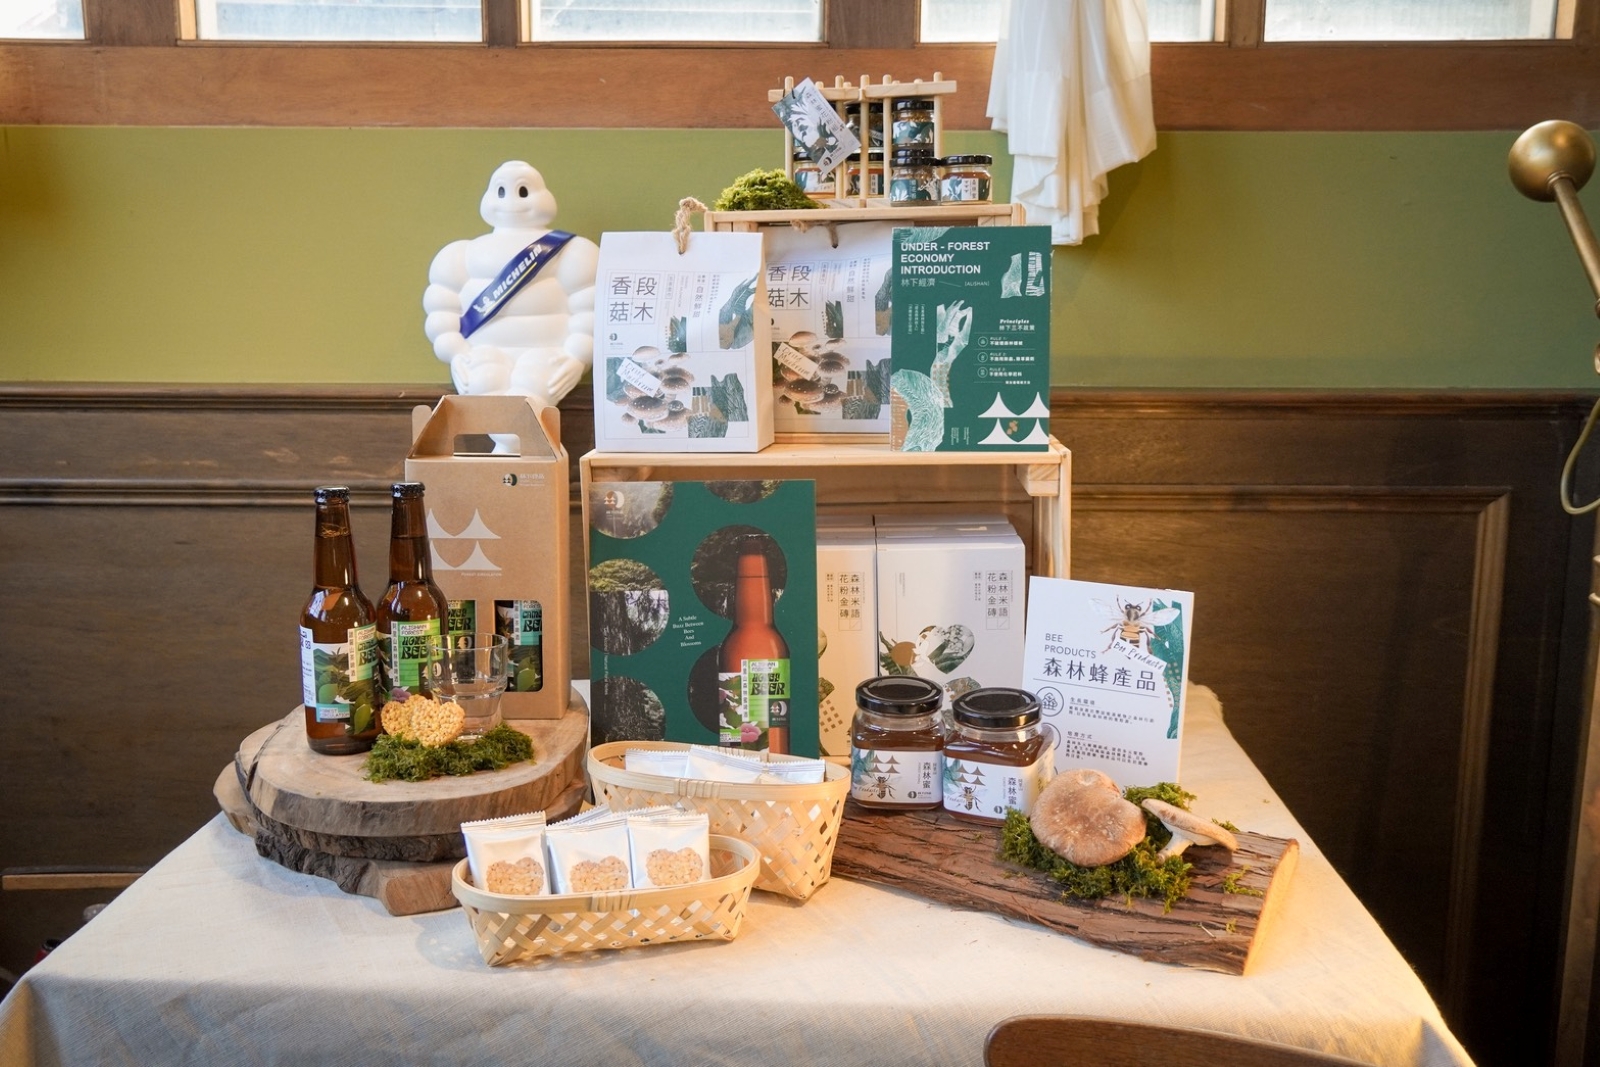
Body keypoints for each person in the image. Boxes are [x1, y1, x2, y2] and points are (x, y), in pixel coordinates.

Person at [423, 161, 600, 407]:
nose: (511, 200)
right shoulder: (458, 255)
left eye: (523, 190)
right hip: (482, 356)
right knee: (484, 385)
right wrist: (456, 354)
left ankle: (516, 433)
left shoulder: (574, 251)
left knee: (533, 390)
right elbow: (442, 309)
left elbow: (590, 307)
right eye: (501, 190)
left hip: (547, 359)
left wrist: (577, 357)